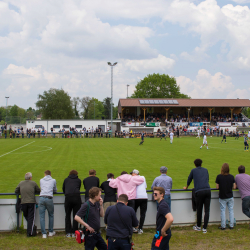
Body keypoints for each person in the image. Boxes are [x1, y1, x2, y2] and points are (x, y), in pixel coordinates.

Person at [183, 159, 211, 233]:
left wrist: (186, 187)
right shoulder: (205, 170)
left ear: (195, 164)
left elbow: (189, 179)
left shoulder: (194, 170)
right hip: (208, 190)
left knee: (199, 209)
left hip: (199, 191)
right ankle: (205, 228)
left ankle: (198, 226)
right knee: (207, 210)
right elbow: (207, 179)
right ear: (201, 164)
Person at [15, 172, 40, 237]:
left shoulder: (21, 183)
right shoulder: (33, 183)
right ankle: (30, 232)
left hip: (23, 202)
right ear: (30, 178)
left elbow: (16, 190)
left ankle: (31, 230)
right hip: (31, 202)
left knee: (27, 216)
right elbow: (38, 190)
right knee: (31, 218)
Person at [215, 163, 236, 230]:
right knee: (231, 210)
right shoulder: (231, 176)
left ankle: (223, 226)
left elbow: (217, 187)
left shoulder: (219, 176)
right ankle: (231, 225)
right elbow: (234, 187)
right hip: (230, 196)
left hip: (222, 196)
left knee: (223, 211)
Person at [62, 170, 82, 238]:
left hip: (68, 197)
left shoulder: (66, 180)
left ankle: (68, 232)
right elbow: (78, 188)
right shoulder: (78, 180)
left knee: (67, 215)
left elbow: (64, 189)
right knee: (76, 215)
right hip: (76, 198)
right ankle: (74, 232)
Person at [39, 170, 57, 238]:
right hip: (49, 198)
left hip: (41, 198)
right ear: (50, 174)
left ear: (44, 174)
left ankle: (44, 233)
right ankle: (50, 232)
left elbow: (41, 188)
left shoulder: (41, 180)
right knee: (51, 215)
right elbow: (55, 189)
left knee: (42, 216)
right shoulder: (53, 180)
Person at [132, 170, 148, 234]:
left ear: (134, 173)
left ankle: (135, 227)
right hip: (144, 197)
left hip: (137, 197)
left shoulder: (132, 178)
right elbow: (145, 186)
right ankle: (140, 228)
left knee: (133, 212)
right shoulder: (143, 177)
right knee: (143, 213)